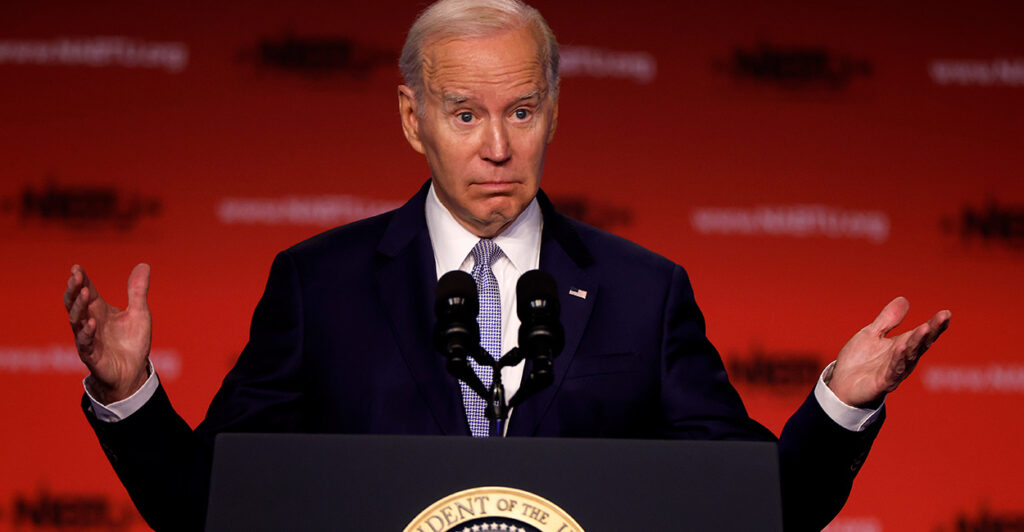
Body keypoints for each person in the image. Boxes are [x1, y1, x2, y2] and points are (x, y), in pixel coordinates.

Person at [63, 1, 951, 531]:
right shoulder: (319, 285)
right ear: (413, 119)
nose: (497, 147)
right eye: (465, 115)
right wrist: (132, 396)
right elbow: (214, 506)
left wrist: (844, 402)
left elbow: (756, 509)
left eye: (522, 111)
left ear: (555, 111)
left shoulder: (644, 293)